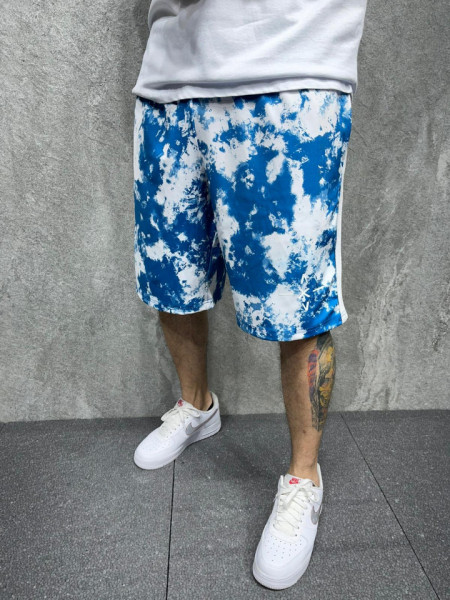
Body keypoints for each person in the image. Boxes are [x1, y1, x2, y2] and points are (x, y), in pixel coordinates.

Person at [131, 0, 367, 590]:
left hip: (290, 69)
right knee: (172, 273)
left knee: (297, 302)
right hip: (169, 79)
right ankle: (197, 405)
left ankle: (304, 478)